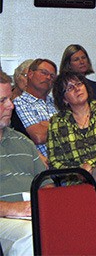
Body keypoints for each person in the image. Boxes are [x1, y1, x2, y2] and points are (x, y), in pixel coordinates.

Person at [45, 71, 96, 255]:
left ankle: (77, 219)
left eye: (79, 84)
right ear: (64, 98)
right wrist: (80, 172)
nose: (77, 89)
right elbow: (55, 162)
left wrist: (92, 162)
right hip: (79, 182)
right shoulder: (57, 123)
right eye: (70, 88)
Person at [0, 72, 49, 256]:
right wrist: (13, 208)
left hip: (32, 214)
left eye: (10, 99)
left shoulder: (23, 141)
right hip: (6, 219)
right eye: (2, 100)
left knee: (78, 224)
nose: (11, 105)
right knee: (31, 235)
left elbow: (47, 185)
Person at [13, 59, 58, 158]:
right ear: (30, 74)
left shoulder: (57, 103)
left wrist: (45, 124)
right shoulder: (20, 103)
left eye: (52, 76)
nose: (48, 77)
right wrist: (63, 125)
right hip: (46, 167)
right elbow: (39, 137)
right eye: (44, 73)